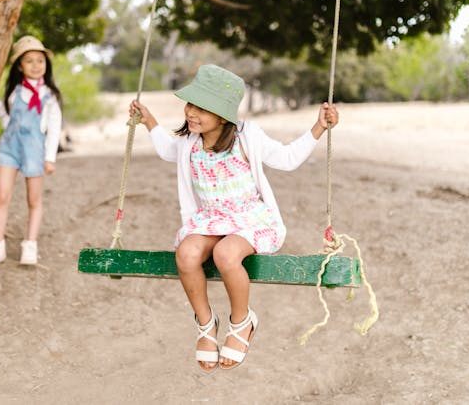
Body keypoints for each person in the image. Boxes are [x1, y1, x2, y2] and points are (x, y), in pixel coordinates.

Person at [130, 64, 339, 372]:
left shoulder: (247, 137)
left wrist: (319, 127)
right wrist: (148, 121)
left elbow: (287, 158)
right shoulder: (191, 142)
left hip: (249, 221)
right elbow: (165, 150)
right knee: (186, 254)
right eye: (191, 104)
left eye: (203, 108)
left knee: (225, 254)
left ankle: (241, 322)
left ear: (223, 115)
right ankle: (205, 325)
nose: (191, 113)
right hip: (211, 220)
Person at [0, 36, 63, 270]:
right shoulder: (15, 92)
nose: (36, 65)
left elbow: (54, 129)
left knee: (33, 200)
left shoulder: (50, 96)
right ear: (20, 66)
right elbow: (8, 118)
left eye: (40, 60)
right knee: (2, 195)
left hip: (35, 151)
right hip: (10, 148)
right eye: (30, 61)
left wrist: (50, 158)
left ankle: (30, 244)